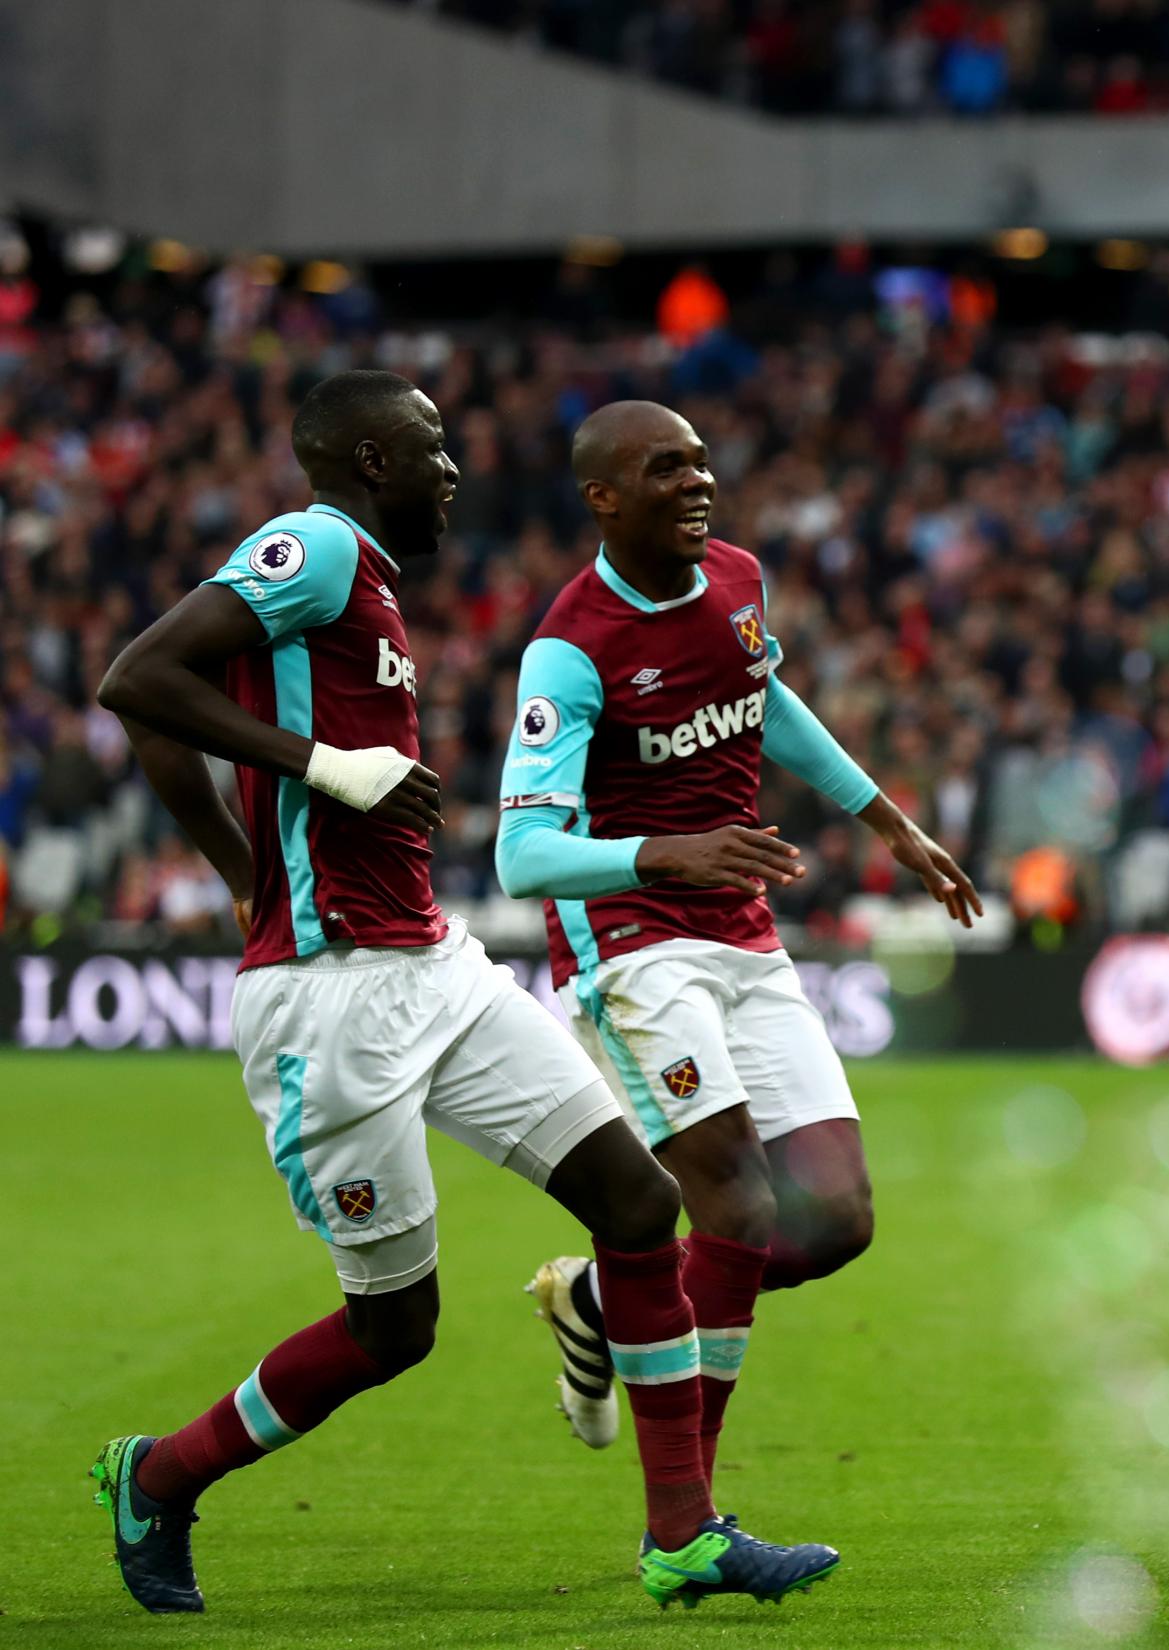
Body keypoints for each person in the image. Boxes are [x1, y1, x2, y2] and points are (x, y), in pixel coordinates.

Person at [89, 371, 836, 1614]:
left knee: (639, 1205)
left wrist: (240, 873)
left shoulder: (365, 585)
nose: (453, 471)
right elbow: (137, 681)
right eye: (432, 450)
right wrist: (326, 772)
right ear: (373, 459)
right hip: (326, 1002)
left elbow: (177, 719)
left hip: (434, 966)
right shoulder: (319, 549)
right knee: (393, 1327)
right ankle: (161, 1477)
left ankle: (684, 1538)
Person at [495, 400, 978, 1488]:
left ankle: (599, 1297)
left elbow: (765, 697)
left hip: (739, 930)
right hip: (630, 945)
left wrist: (889, 823)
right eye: (666, 469)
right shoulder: (570, 651)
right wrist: (662, 851)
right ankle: (689, 1512)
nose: (697, 483)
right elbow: (522, 857)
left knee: (837, 1217)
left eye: (702, 464)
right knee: (739, 1203)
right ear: (604, 498)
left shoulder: (737, 578)